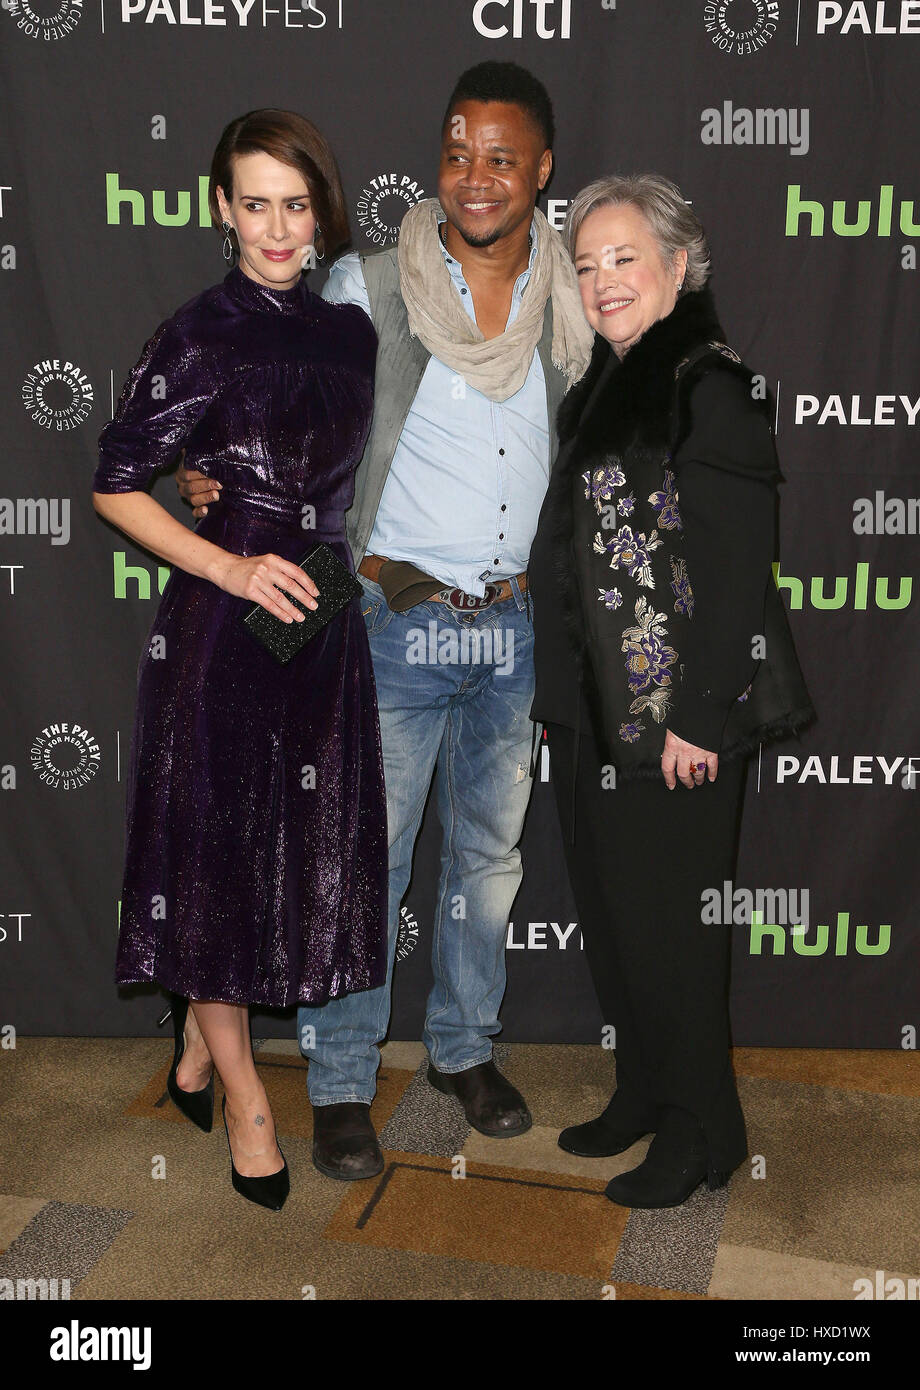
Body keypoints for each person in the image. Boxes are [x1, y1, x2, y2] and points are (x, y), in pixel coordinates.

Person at [177, 63, 594, 1180]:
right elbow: (275, 377)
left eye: (500, 157)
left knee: (487, 862)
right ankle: (344, 1080)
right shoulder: (370, 283)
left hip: (509, 629)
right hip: (396, 618)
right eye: (456, 152)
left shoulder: (571, 297)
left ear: (540, 171)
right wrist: (214, 472)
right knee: (367, 859)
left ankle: (462, 1050)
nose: (473, 177)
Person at [92, 109, 388, 1211]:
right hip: (220, 636)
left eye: (295, 203)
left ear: (322, 214)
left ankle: (191, 1045)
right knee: (215, 871)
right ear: (222, 209)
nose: (275, 227)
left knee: (288, 860)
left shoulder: (351, 335)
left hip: (319, 636)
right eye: (253, 202)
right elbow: (117, 482)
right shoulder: (195, 332)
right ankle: (249, 1104)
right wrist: (223, 561)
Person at [527, 174, 815, 1208]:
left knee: (673, 939)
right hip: (595, 719)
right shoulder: (598, 386)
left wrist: (694, 721)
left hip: (677, 727)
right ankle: (645, 1092)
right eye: (587, 262)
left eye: (623, 259)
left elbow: (739, 573)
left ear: (676, 267)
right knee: (616, 925)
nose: (602, 281)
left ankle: (705, 1131)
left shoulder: (709, 383)